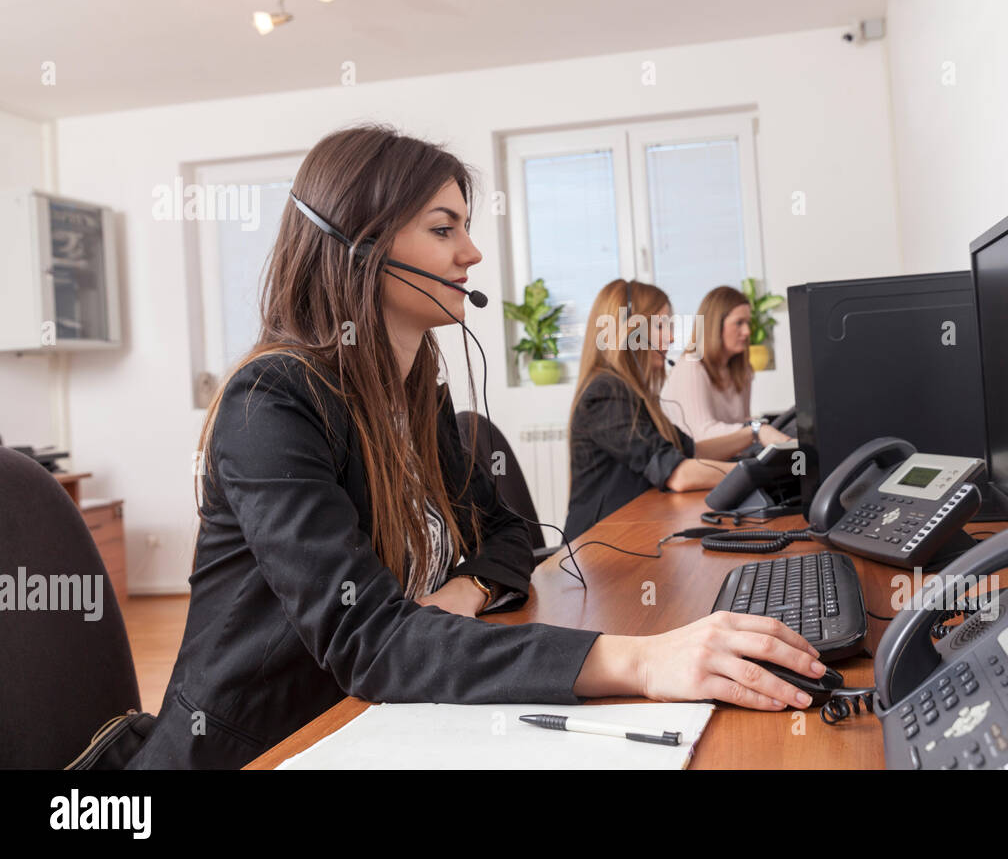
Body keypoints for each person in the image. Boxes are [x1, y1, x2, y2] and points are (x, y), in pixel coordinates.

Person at [127, 126, 824, 769]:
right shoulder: (271, 404)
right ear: (359, 246)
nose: (472, 252)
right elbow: (369, 642)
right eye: (444, 228)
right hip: (257, 747)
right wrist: (642, 663)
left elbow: (512, 531)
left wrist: (464, 589)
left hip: (369, 720)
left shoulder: (412, 388)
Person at [564, 279, 764, 540]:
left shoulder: (636, 393)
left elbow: (692, 450)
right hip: (596, 553)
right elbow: (678, 474)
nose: (670, 337)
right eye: (660, 326)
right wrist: (758, 473)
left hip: (630, 534)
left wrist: (754, 434)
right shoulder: (606, 394)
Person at [660, 285, 788, 452]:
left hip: (728, 457)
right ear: (715, 326)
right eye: (739, 323)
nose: (747, 331)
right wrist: (756, 430)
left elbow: (741, 424)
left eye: (748, 323)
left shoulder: (742, 370)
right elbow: (702, 434)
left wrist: (759, 428)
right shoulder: (691, 367)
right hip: (696, 462)